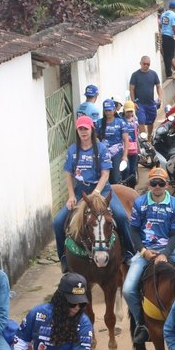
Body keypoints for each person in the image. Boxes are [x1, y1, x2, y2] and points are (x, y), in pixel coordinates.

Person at [124, 167, 175, 343]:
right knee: (127, 289)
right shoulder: (140, 204)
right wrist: (143, 251)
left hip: (170, 248)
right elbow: (133, 231)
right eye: (153, 183)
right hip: (145, 250)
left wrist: (165, 254)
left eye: (160, 183)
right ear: (148, 184)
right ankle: (141, 323)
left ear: (167, 184)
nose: (157, 186)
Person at [52, 115, 132, 271]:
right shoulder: (72, 150)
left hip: (102, 189)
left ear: (91, 130)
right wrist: (71, 195)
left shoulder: (101, 148)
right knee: (57, 222)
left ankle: (129, 251)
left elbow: (105, 174)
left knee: (122, 217)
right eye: (80, 129)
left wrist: (96, 192)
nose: (83, 132)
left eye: (86, 129)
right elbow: (68, 174)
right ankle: (63, 257)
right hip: (80, 190)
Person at [97, 99, 132, 185]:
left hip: (117, 154)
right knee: (104, 179)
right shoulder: (99, 123)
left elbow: (126, 140)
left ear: (114, 110)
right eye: (106, 110)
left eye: (110, 110)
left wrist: (125, 156)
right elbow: (95, 138)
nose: (108, 112)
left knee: (116, 178)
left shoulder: (120, 122)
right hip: (103, 154)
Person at [128, 56, 163, 135]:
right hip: (140, 104)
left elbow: (158, 86)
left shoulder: (153, 74)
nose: (146, 65)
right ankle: (144, 140)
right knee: (141, 121)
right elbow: (131, 89)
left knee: (150, 122)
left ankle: (149, 139)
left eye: (148, 64)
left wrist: (160, 97)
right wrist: (134, 102)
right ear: (140, 63)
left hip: (151, 103)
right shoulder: (135, 75)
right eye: (144, 64)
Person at [159, 1, 175, 78]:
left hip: (164, 36)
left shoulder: (163, 14)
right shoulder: (174, 16)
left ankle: (170, 71)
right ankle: (169, 74)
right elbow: (174, 28)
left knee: (168, 55)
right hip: (170, 37)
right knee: (169, 56)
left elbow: (161, 25)